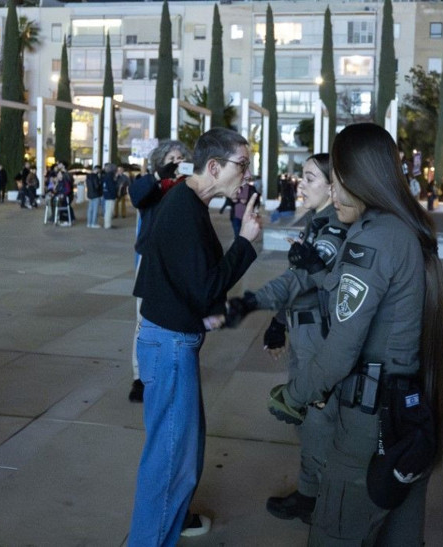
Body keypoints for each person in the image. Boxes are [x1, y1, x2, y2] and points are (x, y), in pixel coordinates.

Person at [268, 123, 443, 545]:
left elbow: (341, 350)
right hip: (403, 415)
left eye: (338, 181)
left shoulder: (377, 238)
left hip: (369, 427)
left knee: (335, 533)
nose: (333, 193)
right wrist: (323, 272)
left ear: (361, 179)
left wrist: (293, 396)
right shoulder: (403, 228)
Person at [128, 128, 262, 545]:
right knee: (170, 465)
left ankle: (166, 525)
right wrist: (244, 244)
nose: (247, 173)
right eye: (243, 164)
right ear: (215, 166)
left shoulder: (187, 200)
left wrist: (201, 313)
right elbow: (203, 284)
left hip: (167, 338)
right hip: (169, 346)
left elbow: (164, 270)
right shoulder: (185, 207)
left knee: (180, 455)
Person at [226, 153, 349, 525]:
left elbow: (300, 280)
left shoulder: (333, 229)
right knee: (307, 419)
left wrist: (254, 302)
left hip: (320, 339)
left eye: (310, 178)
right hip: (306, 332)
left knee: (316, 420)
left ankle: (319, 500)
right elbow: (299, 278)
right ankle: (313, 494)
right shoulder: (316, 223)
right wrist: (279, 322)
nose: (301, 183)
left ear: (332, 186)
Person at [127, 140, 192, 403]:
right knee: (144, 319)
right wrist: (157, 177)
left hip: (179, 261)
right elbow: (136, 195)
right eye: (169, 158)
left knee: (176, 316)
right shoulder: (152, 186)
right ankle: (139, 376)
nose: (174, 162)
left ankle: (171, 367)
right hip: (152, 260)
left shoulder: (188, 187)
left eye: (179, 158)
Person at [101, 164, 118, 229]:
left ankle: (107, 224)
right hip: (110, 196)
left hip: (106, 194)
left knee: (108, 210)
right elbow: (112, 187)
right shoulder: (110, 176)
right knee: (109, 210)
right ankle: (107, 225)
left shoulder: (106, 176)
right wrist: (115, 194)